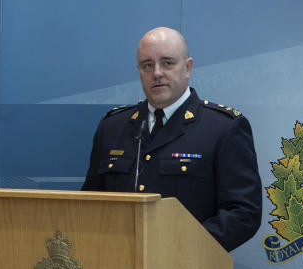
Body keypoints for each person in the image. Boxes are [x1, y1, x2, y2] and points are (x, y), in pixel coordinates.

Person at [82, 27, 262, 252]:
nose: (157, 73)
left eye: (167, 63)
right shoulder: (113, 127)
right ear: (139, 70)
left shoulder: (223, 127)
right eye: (147, 65)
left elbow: (244, 212)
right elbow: (90, 204)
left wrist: (181, 246)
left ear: (187, 68)